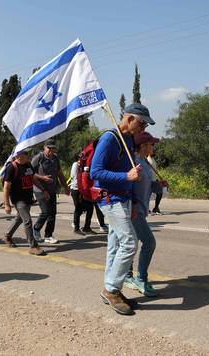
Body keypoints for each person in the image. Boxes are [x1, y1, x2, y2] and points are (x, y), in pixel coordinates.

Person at [91, 103, 154, 316]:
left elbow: (130, 175)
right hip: (110, 199)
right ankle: (111, 289)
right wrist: (125, 177)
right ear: (129, 119)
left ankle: (110, 288)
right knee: (129, 242)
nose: (143, 128)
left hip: (124, 199)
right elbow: (95, 172)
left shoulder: (128, 140)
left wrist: (134, 201)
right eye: (142, 123)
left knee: (115, 245)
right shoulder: (110, 138)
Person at [124, 132, 162, 297]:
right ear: (143, 145)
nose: (153, 147)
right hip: (134, 211)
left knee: (132, 242)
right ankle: (141, 278)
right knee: (149, 242)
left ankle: (126, 275)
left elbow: (147, 185)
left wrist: (157, 185)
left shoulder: (146, 163)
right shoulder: (133, 162)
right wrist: (132, 207)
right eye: (151, 144)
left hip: (142, 210)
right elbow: (127, 186)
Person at [3, 149, 47, 255]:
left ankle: (7, 236)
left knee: (19, 218)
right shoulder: (11, 167)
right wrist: (6, 204)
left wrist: (43, 189)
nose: (27, 155)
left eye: (25, 153)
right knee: (27, 220)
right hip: (18, 199)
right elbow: (6, 187)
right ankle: (33, 246)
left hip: (27, 198)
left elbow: (33, 178)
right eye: (24, 153)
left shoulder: (28, 165)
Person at [31, 139, 70, 244]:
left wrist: (65, 186)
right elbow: (30, 173)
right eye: (49, 148)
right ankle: (36, 229)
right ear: (44, 147)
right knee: (45, 211)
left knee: (52, 213)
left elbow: (59, 173)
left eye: (53, 149)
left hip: (52, 189)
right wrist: (42, 178)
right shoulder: (38, 158)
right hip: (39, 189)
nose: (51, 151)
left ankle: (48, 235)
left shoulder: (55, 158)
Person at [69, 157, 96, 236]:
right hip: (76, 189)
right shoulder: (76, 165)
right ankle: (76, 228)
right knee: (78, 209)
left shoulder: (86, 165)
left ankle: (87, 227)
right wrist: (85, 173)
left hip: (84, 189)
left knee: (90, 208)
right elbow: (75, 178)